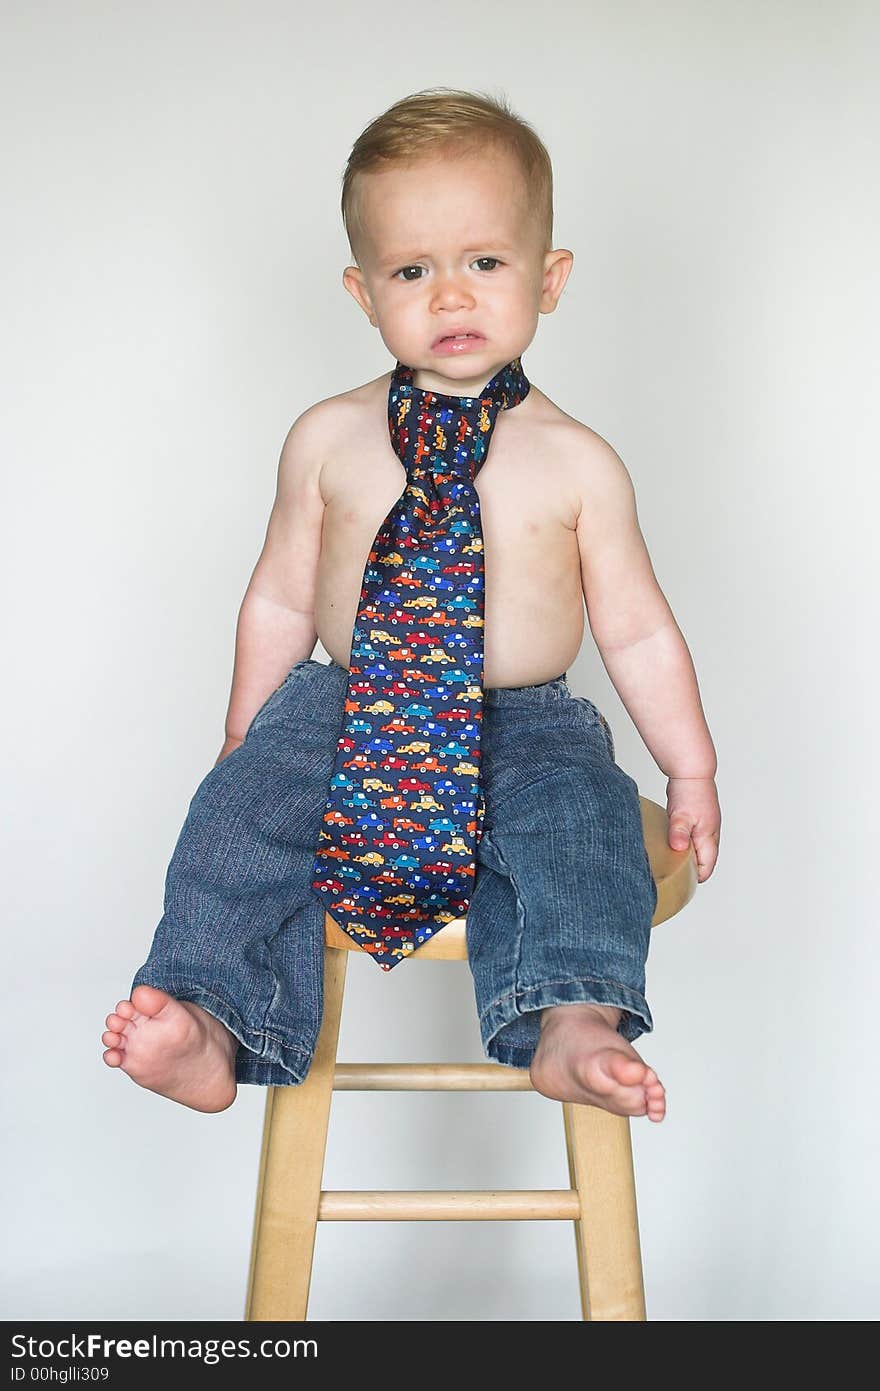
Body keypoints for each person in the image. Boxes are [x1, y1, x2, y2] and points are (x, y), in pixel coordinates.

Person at [101, 87, 720, 1122]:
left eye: (483, 261)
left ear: (547, 277)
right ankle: (210, 1014)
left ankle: (570, 1012)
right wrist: (244, 729)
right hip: (344, 705)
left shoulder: (577, 463)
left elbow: (639, 627)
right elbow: (278, 594)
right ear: (362, 291)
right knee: (234, 823)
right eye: (410, 270)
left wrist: (688, 764)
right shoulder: (327, 438)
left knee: (582, 830)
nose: (449, 296)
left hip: (524, 723)